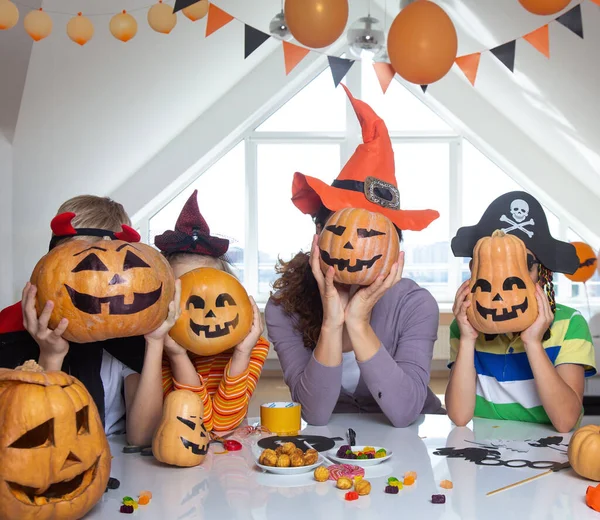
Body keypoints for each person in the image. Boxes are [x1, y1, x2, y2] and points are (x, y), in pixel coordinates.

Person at [265, 85, 445, 428]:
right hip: (332, 454)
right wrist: (333, 323)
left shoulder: (416, 304)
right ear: (319, 236)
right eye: (343, 231)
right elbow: (314, 414)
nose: (352, 247)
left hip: (414, 447)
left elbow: (406, 412)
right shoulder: (282, 308)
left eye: (369, 235)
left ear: (392, 247)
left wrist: (358, 323)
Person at [0, 195, 180, 444]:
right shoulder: (10, 333)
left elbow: (143, 437)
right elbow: (28, 438)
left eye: (123, 265)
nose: (107, 285)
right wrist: (50, 355)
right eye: (86, 269)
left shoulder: (129, 332)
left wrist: (155, 341)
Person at [446, 191, 597, 432]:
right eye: (493, 265)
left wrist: (533, 343)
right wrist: (466, 339)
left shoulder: (570, 324)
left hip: (546, 453)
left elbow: (566, 421)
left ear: (543, 273)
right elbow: (459, 417)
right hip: (481, 452)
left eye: (522, 264)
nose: (507, 279)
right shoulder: (465, 325)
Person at [153, 190, 269, 432]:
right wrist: (177, 356)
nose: (207, 313)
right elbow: (199, 426)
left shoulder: (253, 346)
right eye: (188, 297)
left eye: (214, 296)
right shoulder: (159, 349)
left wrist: (241, 354)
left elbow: (225, 426)